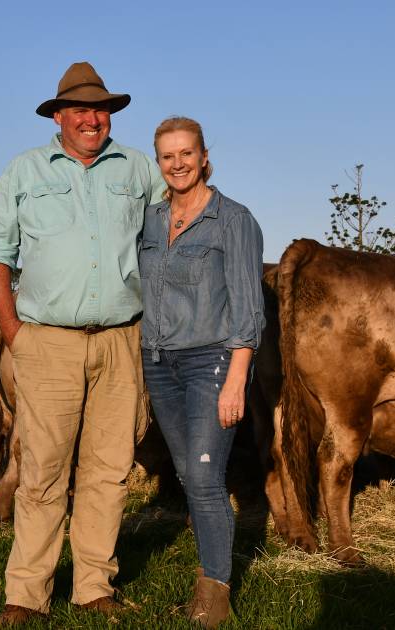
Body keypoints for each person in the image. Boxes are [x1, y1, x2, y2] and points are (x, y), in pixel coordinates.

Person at [0, 61, 163, 628]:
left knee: (109, 469)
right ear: (58, 117)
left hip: (119, 340)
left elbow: (169, 238)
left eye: (101, 109)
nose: (91, 118)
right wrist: (16, 336)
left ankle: (93, 587)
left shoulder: (137, 170)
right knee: (42, 470)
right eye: (79, 109)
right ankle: (26, 596)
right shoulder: (24, 171)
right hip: (48, 343)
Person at [138, 116, 265, 628]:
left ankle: (214, 593)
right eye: (168, 156)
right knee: (189, 472)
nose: (178, 163)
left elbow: (249, 308)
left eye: (186, 153)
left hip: (210, 361)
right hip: (159, 363)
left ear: (204, 156)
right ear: (159, 163)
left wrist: (237, 379)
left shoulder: (233, 220)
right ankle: (211, 568)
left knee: (207, 476)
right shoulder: (149, 221)